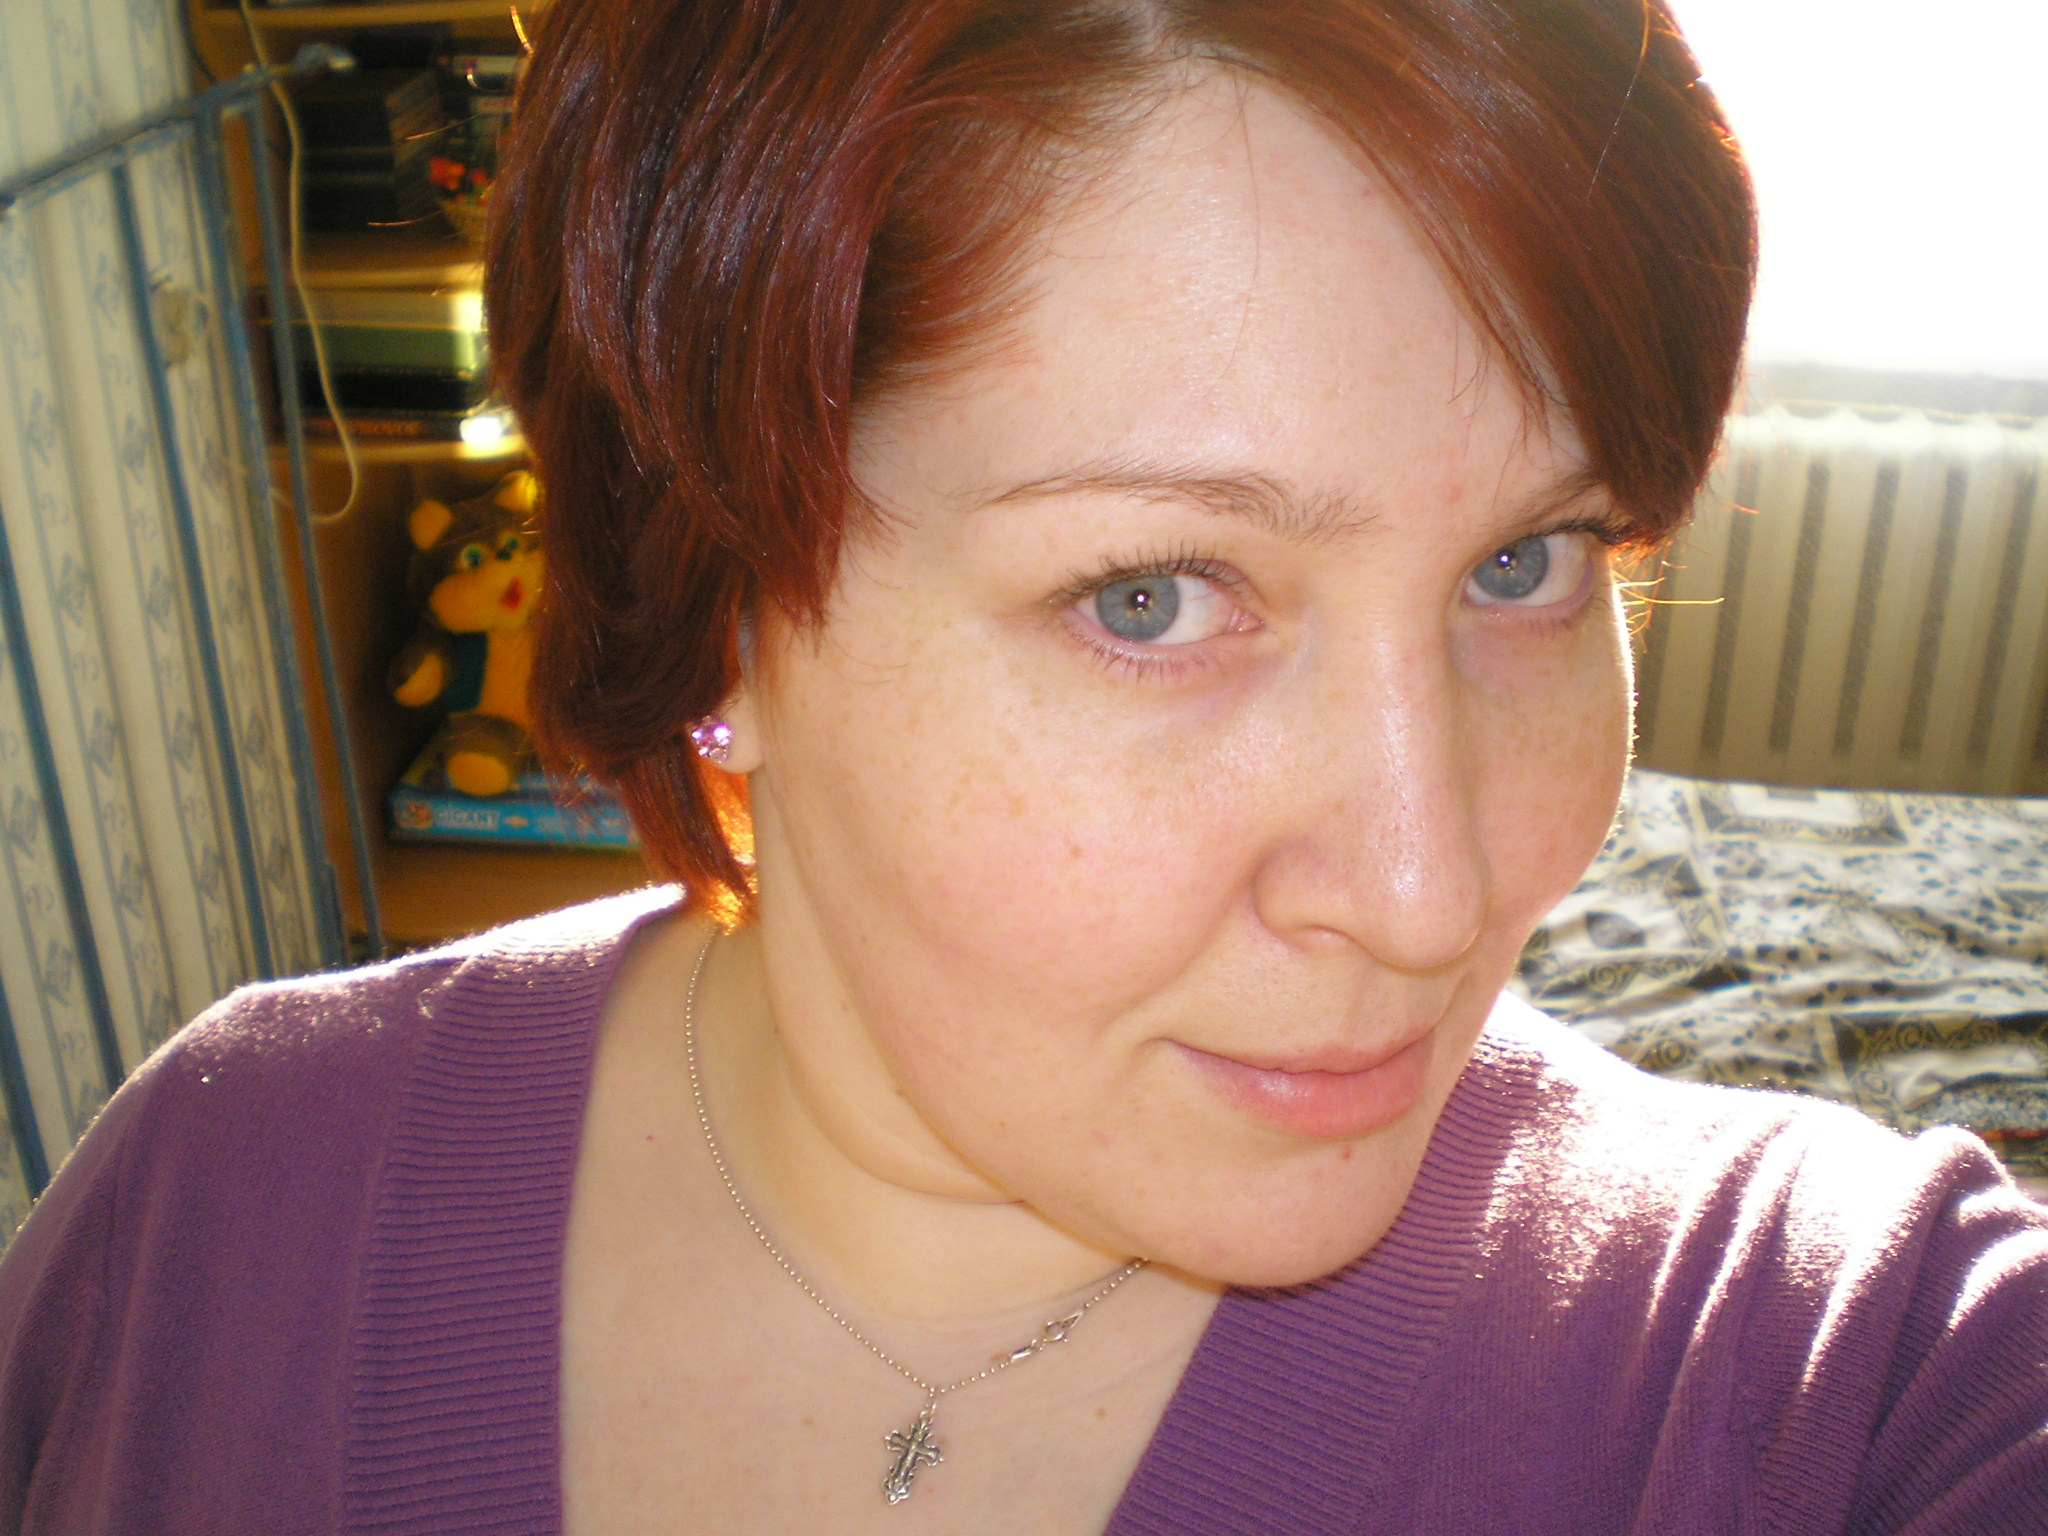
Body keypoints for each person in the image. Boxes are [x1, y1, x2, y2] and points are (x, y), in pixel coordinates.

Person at [4, 0, 2046, 1530]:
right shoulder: (207, 1213)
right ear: (716, 613)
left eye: (1528, 562)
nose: (1438, 893)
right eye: (1152, 598)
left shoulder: (1843, 1376)